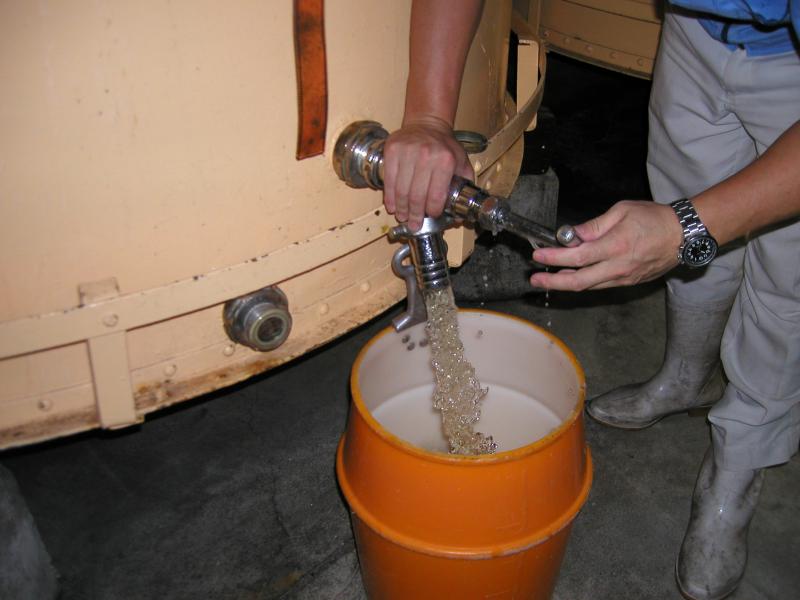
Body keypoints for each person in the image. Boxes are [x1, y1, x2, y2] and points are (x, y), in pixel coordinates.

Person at [383, 1, 800, 599]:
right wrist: (427, 116)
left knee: (786, 281)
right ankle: (686, 381)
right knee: (694, 231)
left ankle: (740, 466)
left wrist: (686, 227)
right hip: (696, 34)